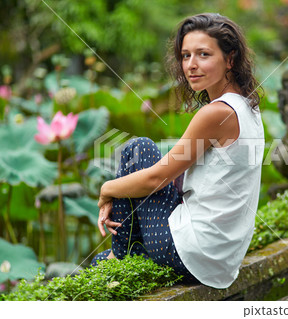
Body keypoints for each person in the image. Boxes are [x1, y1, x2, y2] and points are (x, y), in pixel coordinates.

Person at [91, 13, 265, 289]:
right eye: (185, 56)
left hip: (192, 254)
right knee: (98, 259)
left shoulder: (216, 113)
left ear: (230, 59)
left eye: (203, 54)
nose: (191, 66)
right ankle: (122, 253)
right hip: (219, 262)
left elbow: (155, 178)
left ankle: (120, 255)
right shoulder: (246, 108)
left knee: (139, 149)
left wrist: (107, 189)